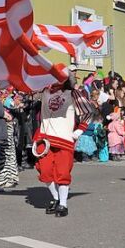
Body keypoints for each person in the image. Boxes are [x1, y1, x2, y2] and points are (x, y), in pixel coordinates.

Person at [34, 76, 84, 218]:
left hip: (64, 140)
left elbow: (88, 112)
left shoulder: (73, 93)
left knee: (62, 173)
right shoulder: (44, 91)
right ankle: (56, 198)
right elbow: (26, 88)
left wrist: (79, 130)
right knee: (45, 172)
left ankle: (63, 204)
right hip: (45, 139)